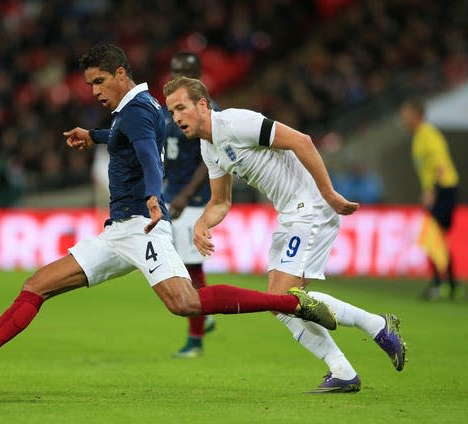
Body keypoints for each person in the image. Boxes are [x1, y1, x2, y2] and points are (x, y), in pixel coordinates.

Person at [0, 43, 338, 385]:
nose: (93, 91)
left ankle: (287, 302)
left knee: (185, 303)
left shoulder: (139, 110)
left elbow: (146, 154)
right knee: (37, 285)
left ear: (120, 72)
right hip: (116, 233)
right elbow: (129, 136)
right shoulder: (140, 108)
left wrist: (154, 196)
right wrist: (95, 136)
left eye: (98, 82)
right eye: (90, 84)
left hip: (142, 228)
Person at [164, 76, 407, 393]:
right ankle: (343, 370)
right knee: (280, 303)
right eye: (171, 112)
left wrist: (329, 194)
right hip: (290, 214)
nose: (176, 118)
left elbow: (301, 141)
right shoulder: (208, 148)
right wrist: (202, 224)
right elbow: (221, 201)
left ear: (201, 104)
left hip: (311, 208)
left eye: (181, 108)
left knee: (284, 296)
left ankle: (375, 325)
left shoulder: (237, 122)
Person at [163, 52, 216, 358]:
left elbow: (210, 160)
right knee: (180, 266)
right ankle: (204, 318)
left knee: (191, 269)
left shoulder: (206, 109)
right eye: (174, 69)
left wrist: (185, 195)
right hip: (172, 197)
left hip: (193, 201)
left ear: (197, 74)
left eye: (184, 71)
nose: (177, 74)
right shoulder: (168, 107)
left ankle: (196, 339)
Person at [400, 99, 460, 300]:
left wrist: (432, 190)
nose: (403, 118)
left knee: (433, 238)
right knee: (435, 239)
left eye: (406, 113)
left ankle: (441, 284)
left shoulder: (428, 134)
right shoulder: (419, 136)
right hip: (440, 189)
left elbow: (440, 164)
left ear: (416, 114)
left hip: (444, 189)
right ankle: (448, 285)